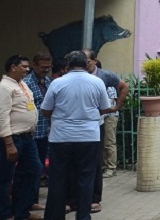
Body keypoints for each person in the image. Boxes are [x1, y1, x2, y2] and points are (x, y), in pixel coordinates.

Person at [41, 51, 112, 220]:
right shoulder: (97, 82)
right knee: (86, 179)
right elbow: (105, 108)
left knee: (59, 179)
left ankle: (56, 216)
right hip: (88, 137)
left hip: (61, 137)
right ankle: (83, 216)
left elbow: (45, 110)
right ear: (85, 64)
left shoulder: (57, 83)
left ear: (67, 65)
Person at [80, 50, 128, 214]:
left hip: (98, 122)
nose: (85, 64)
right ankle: (75, 199)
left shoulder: (104, 76)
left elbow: (123, 86)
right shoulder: (72, 75)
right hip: (76, 126)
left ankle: (94, 198)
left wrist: (115, 108)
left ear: (95, 61)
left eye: (87, 60)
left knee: (97, 158)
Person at [1, 55, 40, 220]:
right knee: (5, 177)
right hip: (12, 139)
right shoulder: (4, 87)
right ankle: (5, 213)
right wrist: (9, 143)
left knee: (32, 170)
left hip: (27, 138)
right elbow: (2, 116)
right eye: (23, 66)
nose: (27, 69)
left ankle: (21, 212)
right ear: (13, 67)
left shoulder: (21, 84)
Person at [23, 52, 52, 191]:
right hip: (32, 133)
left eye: (48, 67)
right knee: (31, 168)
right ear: (34, 66)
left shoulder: (48, 82)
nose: (45, 70)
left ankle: (33, 200)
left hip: (45, 132)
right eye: (42, 67)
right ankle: (26, 201)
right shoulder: (26, 83)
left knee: (40, 167)